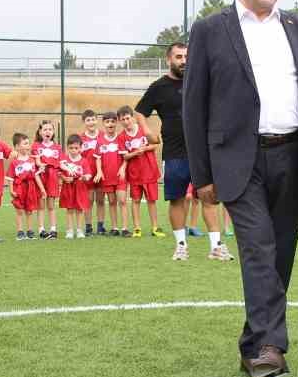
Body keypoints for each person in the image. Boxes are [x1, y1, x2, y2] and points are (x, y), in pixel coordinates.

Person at [184, 0, 298, 377]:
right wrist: (201, 174)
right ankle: (270, 347)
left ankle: (252, 344)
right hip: (237, 162)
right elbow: (194, 105)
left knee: (280, 255)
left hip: (292, 155)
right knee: (259, 249)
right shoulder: (210, 30)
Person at [136, 43, 223, 259]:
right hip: (174, 153)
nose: (184, 61)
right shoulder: (159, 87)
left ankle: (216, 247)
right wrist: (147, 131)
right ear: (169, 60)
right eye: (178, 57)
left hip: (202, 153)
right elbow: (139, 112)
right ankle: (181, 246)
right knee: (176, 200)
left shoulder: (200, 83)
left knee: (209, 197)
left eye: (186, 57)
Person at [120, 108, 162, 237]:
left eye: (128, 118)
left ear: (132, 117)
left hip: (149, 171)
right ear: (120, 121)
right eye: (123, 119)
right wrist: (134, 153)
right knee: (136, 200)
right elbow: (125, 157)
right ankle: (137, 228)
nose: (126, 121)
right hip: (134, 173)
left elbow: (156, 144)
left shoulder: (143, 129)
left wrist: (145, 148)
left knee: (151, 200)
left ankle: (155, 228)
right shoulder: (122, 136)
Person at [95, 110, 127, 236]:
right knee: (112, 202)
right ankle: (115, 228)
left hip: (120, 177)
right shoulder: (100, 140)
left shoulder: (120, 139)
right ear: (103, 124)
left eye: (113, 121)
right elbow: (97, 158)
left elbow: (126, 157)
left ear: (116, 123)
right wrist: (99, 171)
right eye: (107, 122)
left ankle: (124, 228)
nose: (110, 124)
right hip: (107, 177)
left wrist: (123, 168)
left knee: (122, 201)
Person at [8, 133, 45, 241]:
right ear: (17, 147)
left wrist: (42, 189)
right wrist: (11, 190)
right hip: (19, 188)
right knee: (19, 210)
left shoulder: (32, 161)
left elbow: (36, 176)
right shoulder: (14, 163)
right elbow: (10, 178)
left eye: (28, 143)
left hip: (31, 188)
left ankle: (30, 231)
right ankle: (20, 232)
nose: (28, 146)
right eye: (25, 143)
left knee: (30, 210)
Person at [33, 119, 64, 239]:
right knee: (41, 205)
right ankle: (41, 229)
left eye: (50, 129)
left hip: (52, 177)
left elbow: (61, 162)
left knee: (51, 205)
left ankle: (53, 229)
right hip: (41, 177)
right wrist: (40, 165)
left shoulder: (57, 147)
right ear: (40, 132)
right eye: (45, 129)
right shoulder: (36, 146)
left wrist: (67, 171)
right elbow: (36, 161)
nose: (48, 131)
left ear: (53, 131)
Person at [77, 109, 103, 236]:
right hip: (87, 175)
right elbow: (78, 157)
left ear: (97, 120)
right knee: (88, 201)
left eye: (93, 119)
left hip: (101, 173)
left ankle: (100, 226)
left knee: (100, 200)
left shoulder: (103, 135)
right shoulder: (81, 138)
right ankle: (88, 227)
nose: (91, 122)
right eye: (88, 120)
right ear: (84, 122)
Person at [58, 135, 90, 238]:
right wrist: (65, 178)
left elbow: (88, 175)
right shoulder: (64, 161)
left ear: (80, 148)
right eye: (71, 148)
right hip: (68, 188)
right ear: (67, 148)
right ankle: (69, 230)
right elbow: (59, 173)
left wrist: (84, 177)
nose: (74, 150)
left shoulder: (84, 161)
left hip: (80, 188)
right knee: (69, 209)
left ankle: (80, 230)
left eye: (76, 148)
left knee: (80, 209)